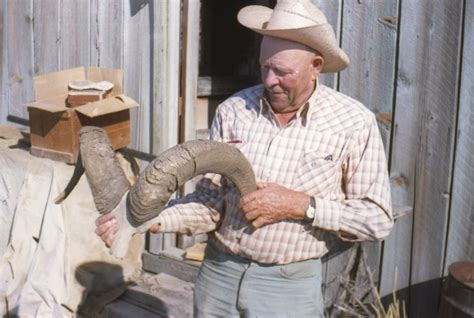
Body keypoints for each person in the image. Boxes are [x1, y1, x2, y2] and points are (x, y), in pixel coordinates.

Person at [95, 0, 393, 317]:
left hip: (288, 289)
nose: (268, 80)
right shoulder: (235, 110)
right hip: (218, 276)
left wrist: (301, 205)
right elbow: (210, 203)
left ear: (316, 65)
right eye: (264, 66)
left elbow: (376, 219)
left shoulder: (352, 123)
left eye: (282, 72)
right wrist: (150, 219)